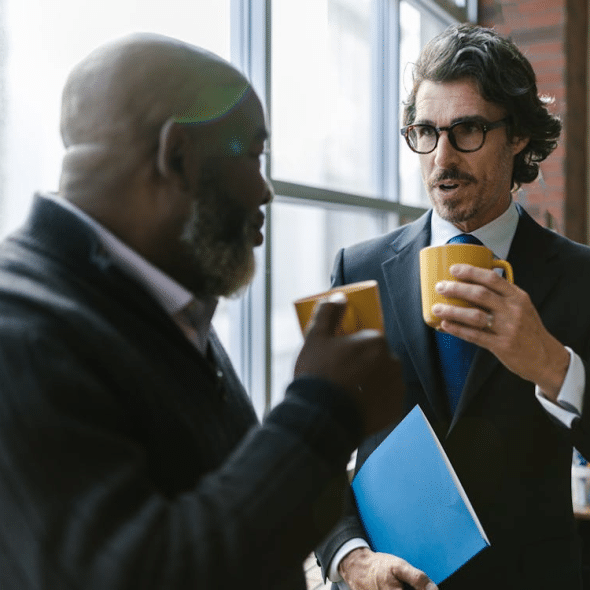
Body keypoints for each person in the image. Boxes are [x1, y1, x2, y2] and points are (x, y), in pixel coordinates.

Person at [0, 33, 408, 590]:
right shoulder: (18, 333)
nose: (265, 192)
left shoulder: (159, 305)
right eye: (254, 157)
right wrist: (323, 409)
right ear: (178, 157)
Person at [316, 23, 590, 590]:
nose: (442, 158)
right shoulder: (357, 270)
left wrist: (553, 366)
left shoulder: (581, 276)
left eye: (467, 130)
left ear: (517, 136)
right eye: (425, 131)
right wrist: (351, 559)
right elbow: (315, 445)